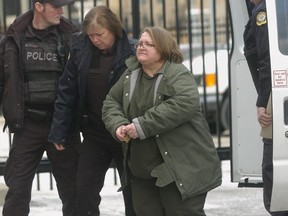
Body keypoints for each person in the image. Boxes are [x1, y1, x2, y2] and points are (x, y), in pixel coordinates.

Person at [102, 26, 222, 216]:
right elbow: (111, 102)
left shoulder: (177, 74)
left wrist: (142, 125)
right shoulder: (130, 75)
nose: (141, 47)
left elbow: (185, 102)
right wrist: (118, 124)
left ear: (164, 48)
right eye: (140, 43)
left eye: (149, 44)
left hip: (179, 169)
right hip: (142, 171)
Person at [47, 5, 136, 216]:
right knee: (84, 189)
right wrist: (58, 131)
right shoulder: (80, 50)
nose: (95, 39)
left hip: (127, 135)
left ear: (113, 29)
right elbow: (67, 92)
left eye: (100, 34)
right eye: (91, 35)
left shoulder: (132, 51)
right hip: (95, 133)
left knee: (133, 192)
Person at [0, 0, 81, 216]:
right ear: (39, 6)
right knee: (17, 190)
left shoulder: (72, 37)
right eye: (56, 6)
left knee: (74, 191)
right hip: (28, 125)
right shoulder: (13, 38)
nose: (62, 11)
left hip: (62, 126)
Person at [243, 0, 288, 215]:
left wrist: (262, 102)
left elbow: (267, 60)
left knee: (273, 158)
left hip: (275, 91)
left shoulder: (265, 11)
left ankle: (278, 208)